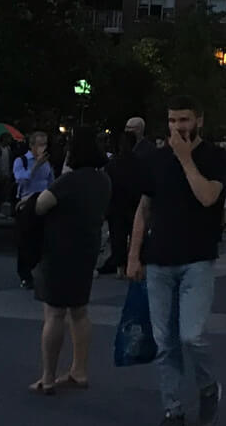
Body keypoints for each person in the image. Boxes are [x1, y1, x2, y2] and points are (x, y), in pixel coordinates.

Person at [127, 98, 226, 426]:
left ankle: (207, 386)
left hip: (197, 260)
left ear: (199, 119)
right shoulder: (154, 160)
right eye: (171, 120)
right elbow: (144, 209)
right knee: (163, 342)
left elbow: (208, 197)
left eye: (184, 119)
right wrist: (133, 255)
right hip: (158, 260)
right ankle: (173, 412)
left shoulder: (214, 157)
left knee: (192, 335)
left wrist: (186, 159)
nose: (177, 127)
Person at [25, 127, 111, 394]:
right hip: (86, 249)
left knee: (54, 312)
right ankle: (79, 370)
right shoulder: (102, 181)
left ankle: (48, 376)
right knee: (80, 310)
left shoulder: (68, 182)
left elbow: (42, 205)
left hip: (59, 249)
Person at [101, 129, 144, 277]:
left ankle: (120, 265)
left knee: (117, 236)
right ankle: (134, 260)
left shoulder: (112, 164)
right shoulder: (140, 163)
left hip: (116, 204)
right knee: (135, 233)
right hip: (134, 203)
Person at [14, 132, 53, 287]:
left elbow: (51, 181)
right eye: (40, 144)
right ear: (32, 145)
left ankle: (39, 269)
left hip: (43, 201)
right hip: (26, 201)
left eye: (45, 144)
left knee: (42, 239)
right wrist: (35, 166)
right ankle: (24, 273)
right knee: (25, 239)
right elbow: (21, 180)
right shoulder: (21, 160)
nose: (42, 148)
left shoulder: (47, 163)